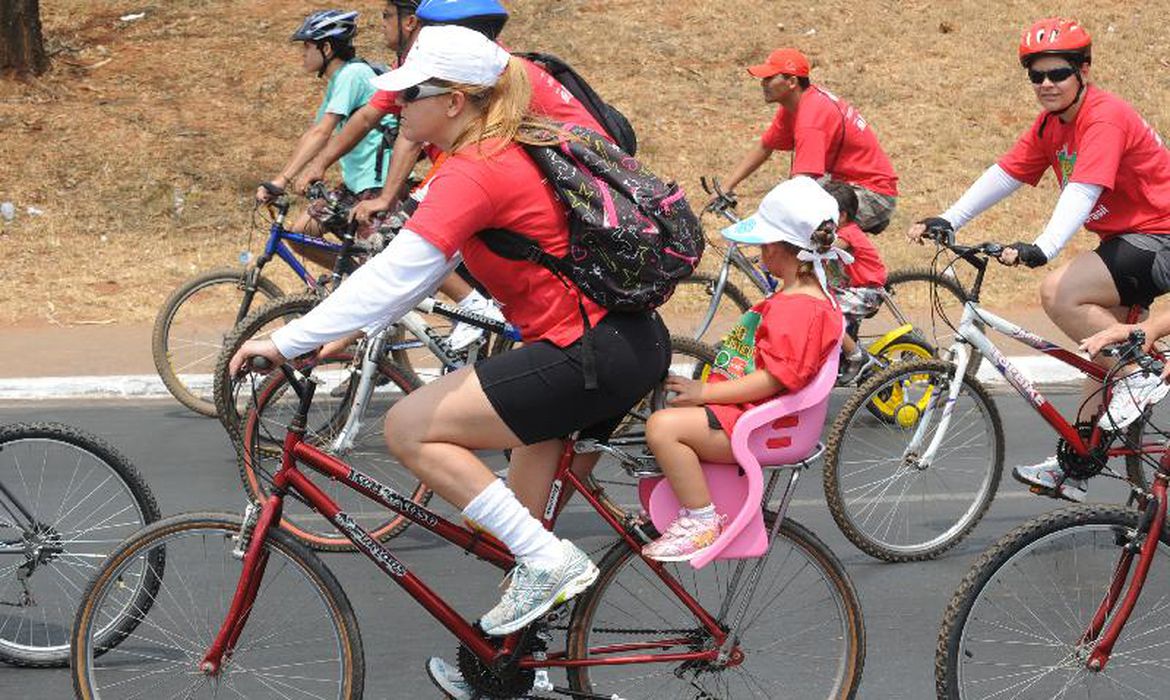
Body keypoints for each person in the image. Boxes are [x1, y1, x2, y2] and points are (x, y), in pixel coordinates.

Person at [227, 25, 671, 699]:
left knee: (410, 429)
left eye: (411, 95)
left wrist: (285, 340)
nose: (399, 108)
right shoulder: (497, 151)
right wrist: (331, 334)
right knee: (514, 535)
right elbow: (413, 279)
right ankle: (521, 677)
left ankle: (549, 569)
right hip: (611, 344)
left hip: (589, 353)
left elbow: (401, 273)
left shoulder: (477, 168)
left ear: (456, 101)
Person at [907, 17, 1170, 502]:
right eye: (1037, 75)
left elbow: (1083, 190)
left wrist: (1043, 247)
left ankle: (1137, 378)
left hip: (1159, 236)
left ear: (1083, 71)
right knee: (1098, 352)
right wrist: (949, 218)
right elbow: (1005, 174)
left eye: (1058, 73)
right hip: (1127, 239)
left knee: (1057, 292)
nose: (1046, 84)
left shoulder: (1103, 117)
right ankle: (1075, 466)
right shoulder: (1053, 124)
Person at [642, 177, 845, 561]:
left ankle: (700, 520)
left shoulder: (798, 307)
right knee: (676, 415)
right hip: (750, 418)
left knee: (662, 428)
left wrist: (704, 392)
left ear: (774, 248)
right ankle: (681, 505)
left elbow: (772, 378)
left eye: (763, 245)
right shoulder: (808, 298)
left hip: (759, 426)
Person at [255, 10, 397, 268]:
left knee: (379, 267)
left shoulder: (353, 74)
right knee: (301, 233)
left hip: (377, 185)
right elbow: (315, 132)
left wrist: (284, 179)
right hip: (355, 186)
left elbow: (323, 132)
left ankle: (370, 297)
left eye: (307, 46)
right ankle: (352, 288)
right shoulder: (339, 81)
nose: (303, 53)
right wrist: (282, 180)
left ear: (327, 47)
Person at [718, 48, 899, 234]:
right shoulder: (795, 105)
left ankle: (856, 260)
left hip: (873, 193)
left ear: (792, 82)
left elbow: (802, 183)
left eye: (769, 78)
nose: (763, 83)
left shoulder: (811, 119)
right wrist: (726, 186)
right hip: (846, 184)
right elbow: (766, 146)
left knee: (802, 227)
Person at [822, 180, 888, 383]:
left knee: (825, 312)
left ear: (841, 216)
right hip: (853, 290)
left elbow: (826, 247)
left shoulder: (847, 234)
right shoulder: (842, 229)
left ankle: (857, 356)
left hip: (867, 293)